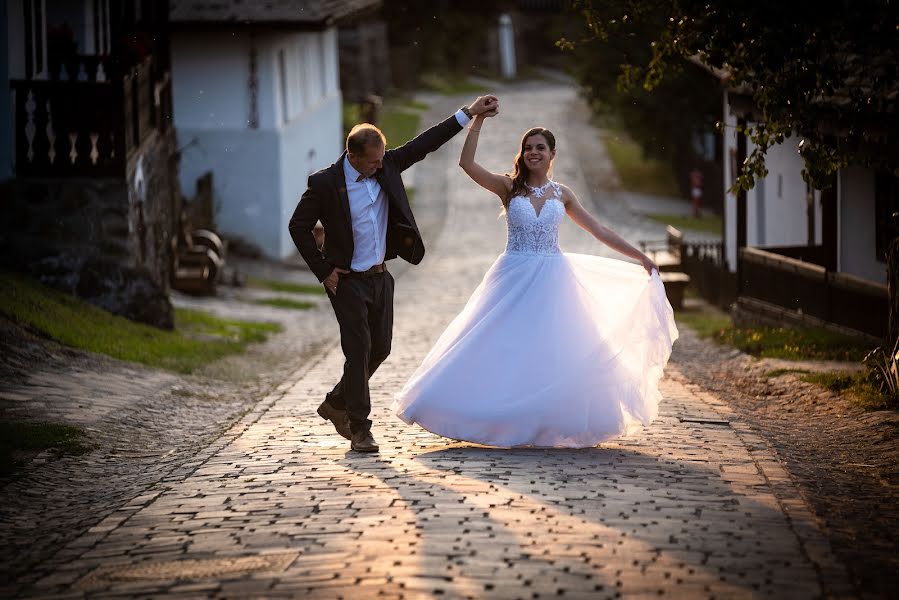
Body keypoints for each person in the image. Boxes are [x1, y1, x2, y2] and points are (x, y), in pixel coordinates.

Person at [391, 112, 679, 448]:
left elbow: (600, 230)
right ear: (522, 153)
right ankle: (489, 415)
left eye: (540, 147)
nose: (534, 153)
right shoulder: (508, 187)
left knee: (551, 352)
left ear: (552, 153)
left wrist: (641, 258)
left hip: (554, 278)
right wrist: (477, 120)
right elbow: (466, 164)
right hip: (513, 275)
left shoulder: (563, 194)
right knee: (501, 346)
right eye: (528, 148)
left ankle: (542, 422)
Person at [289, 95, 500, 453]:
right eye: (372, 162)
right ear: (352, 157)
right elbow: (298, 226)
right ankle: (360, 428)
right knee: (358, 351)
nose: (378, 166)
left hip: (380, 275)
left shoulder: (387, 165)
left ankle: (337, 402)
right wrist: (324, 270)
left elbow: (425, 143)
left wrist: (470, 112)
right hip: (346, 280)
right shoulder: (325, 183)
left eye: (380, 159)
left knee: (381, 348)